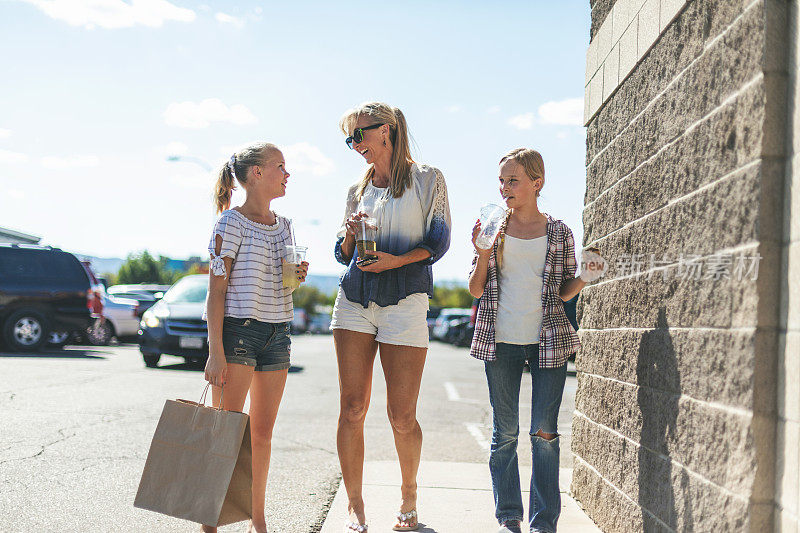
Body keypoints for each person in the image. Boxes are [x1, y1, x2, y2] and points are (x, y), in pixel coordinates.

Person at [467, 148, 606, 533]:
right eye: (501, 180)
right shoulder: (491, 227)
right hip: (500, 341)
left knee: (545, 434)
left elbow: (562, 292)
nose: (504, 187)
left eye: (512, 180)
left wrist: (586, 277)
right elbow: (476, 290)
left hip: (549, 340)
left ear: (536, 183)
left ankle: (544, 522)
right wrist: (481, 253)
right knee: (505, 433)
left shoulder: (560, 232)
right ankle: (509, 514)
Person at [331, 101, 451, 532]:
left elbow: (437, 244)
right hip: (355, 301)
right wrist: (348, 237)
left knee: (401, 415)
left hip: (405, 302)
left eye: (359, 134)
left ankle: (409, 498)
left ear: (387, 130)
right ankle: (355, 505)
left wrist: (394, 261)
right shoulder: (357, 189)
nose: (355, 144)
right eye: (350, 138)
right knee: (352, 407)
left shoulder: (427, 180)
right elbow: (341, 254)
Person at [202, 142, 309, 533]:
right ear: (257, 174)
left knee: (262, 434)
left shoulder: (285, 226)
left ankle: (258, 520)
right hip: (238, 334)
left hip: (278, 333)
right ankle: (209, 520)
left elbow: (286, 285)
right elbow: (216, 290)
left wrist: (297, 276)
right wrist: (215, 351)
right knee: (227, 433)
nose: (287, 173)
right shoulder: (229, 224)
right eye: (281, 166)